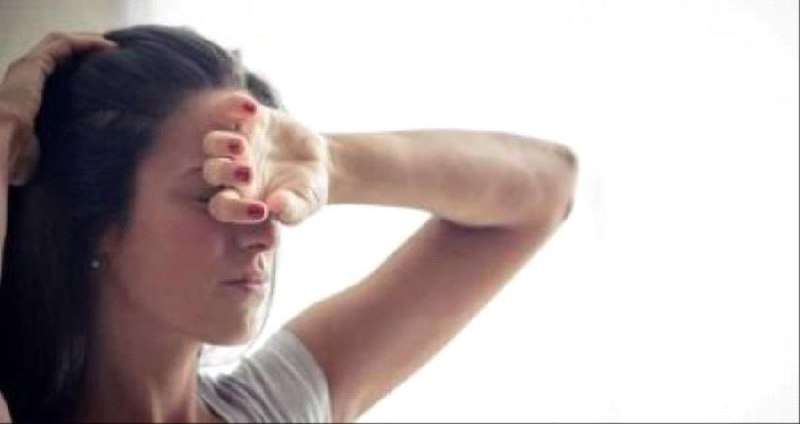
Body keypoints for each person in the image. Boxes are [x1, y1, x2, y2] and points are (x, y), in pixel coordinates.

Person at [0, 25, 578, 423]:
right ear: (97, 220)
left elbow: (548, 188)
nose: (264, 230)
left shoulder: (276, 408)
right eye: (214, 194)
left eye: (257, 190)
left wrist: (333, 164)